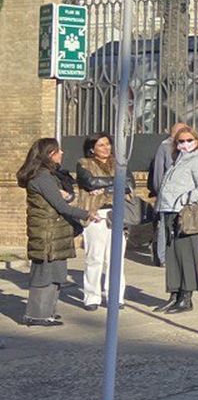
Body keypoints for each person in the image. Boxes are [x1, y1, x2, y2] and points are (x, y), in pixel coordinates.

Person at [18, 138, 100, 326]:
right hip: (48, 233)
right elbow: (61, 206)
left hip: (53, 232)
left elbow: (60, 198)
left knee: (55, 273)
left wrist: (67, 195)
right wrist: (87, 214)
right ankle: (37, 315)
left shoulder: (48, 175)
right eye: (58, 150)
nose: (62, 153)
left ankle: (47, 312)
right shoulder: (42, 177)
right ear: (49, 154)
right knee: (44, 275)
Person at [155, 124, 198, 313]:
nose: (185, 144)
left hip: (183, 213)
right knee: (172, 255)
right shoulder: (178, 159)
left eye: (189, 140)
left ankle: (186, 297)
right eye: (181, 141)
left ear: (197, 141)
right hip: (168, 210)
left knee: (185, 254)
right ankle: (174, 294)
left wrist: (185, 198)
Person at [76, 132, 125, 310]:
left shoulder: (119, 164)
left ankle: (116, 296)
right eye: (101, 145)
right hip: (95, 215)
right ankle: (92, 297)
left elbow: (128, 184)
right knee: (94, 257)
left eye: (108, 144)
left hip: (117, 213)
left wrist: (103, 187)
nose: (106, 148)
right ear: (92, 148)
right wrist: (114, 184)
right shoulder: (84, 164)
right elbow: (90, 182)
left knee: (115, 258)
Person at [146, 124, 183, 266]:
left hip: (183, 194)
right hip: (167, 194)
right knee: (164, 225)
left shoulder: (188, 147)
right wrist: (159, 191)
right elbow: (158, 172)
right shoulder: (165, 147)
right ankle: (162, 257)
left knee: (182, 223)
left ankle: (179, 254)